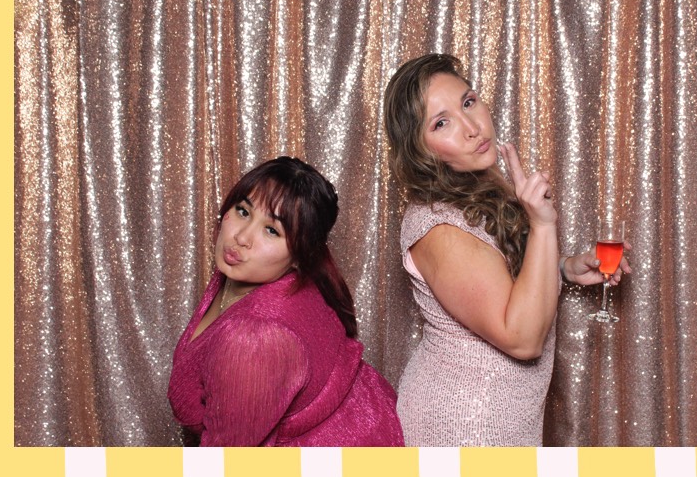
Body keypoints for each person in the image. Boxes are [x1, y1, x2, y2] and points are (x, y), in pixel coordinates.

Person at [382, 53, 623, 446]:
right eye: (441, 123)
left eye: (468, 102)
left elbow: (497, 276)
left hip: (500, 416)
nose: (472, 127)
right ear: (420, 150)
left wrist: (563, 268)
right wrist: (543, 225)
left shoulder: (477, 188)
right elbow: (522, 338)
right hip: (465, 425)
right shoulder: (438, 226)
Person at [167, 156, 403, 447]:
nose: (241, 237)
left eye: (272, 230)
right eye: (243, 211)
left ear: (300, 257)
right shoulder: (243, 274)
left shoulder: (255, 338)